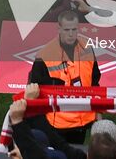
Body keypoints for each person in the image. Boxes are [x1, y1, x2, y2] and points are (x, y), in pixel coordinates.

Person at [29, 10, 100, 142]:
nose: (71, 34)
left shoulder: (88, 48)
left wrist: (98, 111)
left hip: (83, 122)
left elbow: (95, 81)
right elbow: (34, 91)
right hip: (57, 125)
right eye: (67, 30)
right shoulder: (44, 56)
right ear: (59, 28)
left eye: (74, 29)